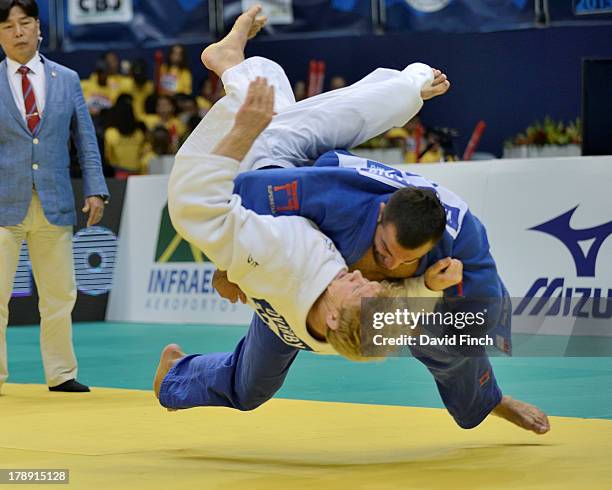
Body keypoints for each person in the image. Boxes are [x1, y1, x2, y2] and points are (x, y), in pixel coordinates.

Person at [161, 5, 550, 434]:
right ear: (381, 215)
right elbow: (243, 192)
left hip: (303, 292)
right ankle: (404, 80)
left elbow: (482, 324)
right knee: (278, 127)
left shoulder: (460, 246)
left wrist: (446, 310)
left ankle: (486, 402)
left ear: (433, 251)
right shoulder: (336, 202)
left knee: (444, 341)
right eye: (383, 252)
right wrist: (226, 264)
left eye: (402, 262)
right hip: (293, 164)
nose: (383, 269)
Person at [0, 0, 109, 393]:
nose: (18, 32)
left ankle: (61, 374)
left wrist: (96, 188)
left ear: (38, 28)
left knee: (60, 295)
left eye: (25, 22)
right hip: (2, 204)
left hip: (55, 199)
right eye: (8, 26)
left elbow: (85, 138)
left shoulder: (67, 78)